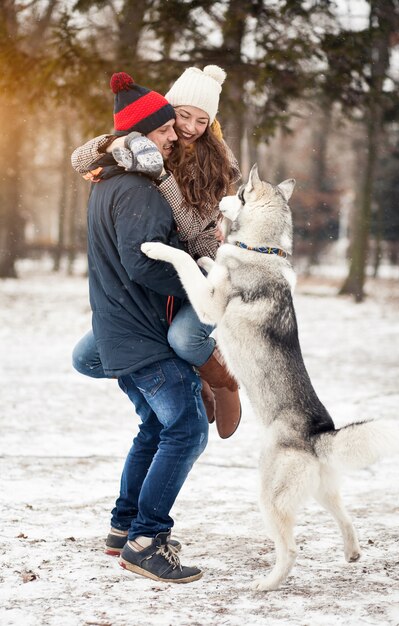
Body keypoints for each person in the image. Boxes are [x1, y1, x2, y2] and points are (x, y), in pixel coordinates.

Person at [83, 71, 208, 583]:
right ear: (140, 136)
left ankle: (122, 528)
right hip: (141, 334)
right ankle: (146, 539)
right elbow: (142, 264)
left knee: (157, 428)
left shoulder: (111, 182)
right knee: (187, 429)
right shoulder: (138, 189)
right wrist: (197, 279)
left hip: (121, 327)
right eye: (164, 132)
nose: (174, 136)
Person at [71, 65, 242, 439]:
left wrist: (163, 181)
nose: (190, 127)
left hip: (202, 269)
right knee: (86, 357)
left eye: (202, 120)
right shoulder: (151, 138)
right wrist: (115, 144)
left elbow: (194, 231)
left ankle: (223, 378)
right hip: (161, 273)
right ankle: (188, 374)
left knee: (183, 339)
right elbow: (80, 160)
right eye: (183, 115)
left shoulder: (215, 163)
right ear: (167, 110)